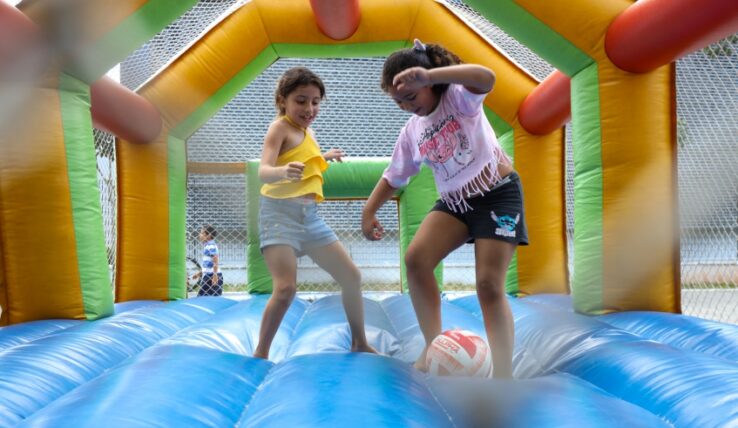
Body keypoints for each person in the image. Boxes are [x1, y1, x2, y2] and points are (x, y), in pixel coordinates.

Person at [361, 40, 528, 378]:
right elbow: (394, 175)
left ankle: (503, 377)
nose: (407, 106)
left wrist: (432, 75)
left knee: (488, 285)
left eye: (412, 97)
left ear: (430, 83)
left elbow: (487, 77)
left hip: (497, 195)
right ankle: (433, 345)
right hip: (456, 204)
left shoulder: (458, 98)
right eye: (399, 102)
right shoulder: (412, 130)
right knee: (416, 259)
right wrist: (369, 210)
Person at [253, 66, 377, 360]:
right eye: (301, 101)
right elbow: (264, 171)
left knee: (351, 276)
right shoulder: (279, 128)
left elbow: (303, 157)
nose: (309, 109)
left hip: (309, 218)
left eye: (315, 102)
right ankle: (261, 352)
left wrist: (324, 157)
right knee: (285, 289)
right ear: (283, 100)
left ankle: (359, 342)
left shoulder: (308, 131)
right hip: (279, 216)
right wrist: (282, 171)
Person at [192, 224, 223, 296]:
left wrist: (215, 276)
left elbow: (215, 260)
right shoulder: (208, 245)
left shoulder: (211, 246)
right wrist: (199, 273)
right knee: (204, 297)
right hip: (208, 275)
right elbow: (208, 265)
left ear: (209, 235)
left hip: (212, 276)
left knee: (205, 298)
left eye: (202, 233)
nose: (199, 235)